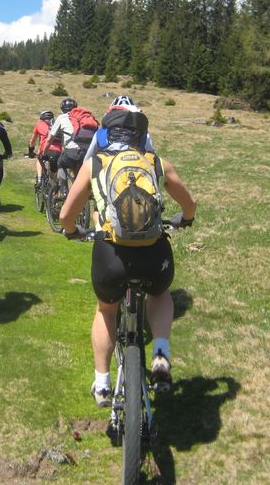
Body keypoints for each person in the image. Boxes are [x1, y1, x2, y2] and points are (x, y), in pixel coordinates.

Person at [59, 108, 196, 408]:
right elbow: (190, 204)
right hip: (154, 254)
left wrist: (72, 231)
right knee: (159, 295)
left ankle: (102, 383)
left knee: (106, 310)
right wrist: (185, 219)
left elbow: (66, 215)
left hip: (111, 256)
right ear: (142, 136)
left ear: (107, 134)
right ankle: (161, 360)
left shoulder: (94, 164)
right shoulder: (156, 163)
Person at [46, 97, 95, 197]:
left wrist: (44, 152)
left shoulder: (62, 118)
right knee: (78, 173)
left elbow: (49, 139)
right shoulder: (82, 117)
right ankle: (81, 196)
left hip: (71, 152)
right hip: (86, 152)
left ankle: (64, 190)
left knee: (60, 163)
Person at [27, 110, 61, 187]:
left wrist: (30, 151)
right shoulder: (57, 125)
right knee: (55, 166)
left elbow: (33, 141)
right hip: (57, 150)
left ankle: (39, 179)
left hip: (45, 149)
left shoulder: (39, 124)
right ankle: (53, 184)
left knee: (39, 158)